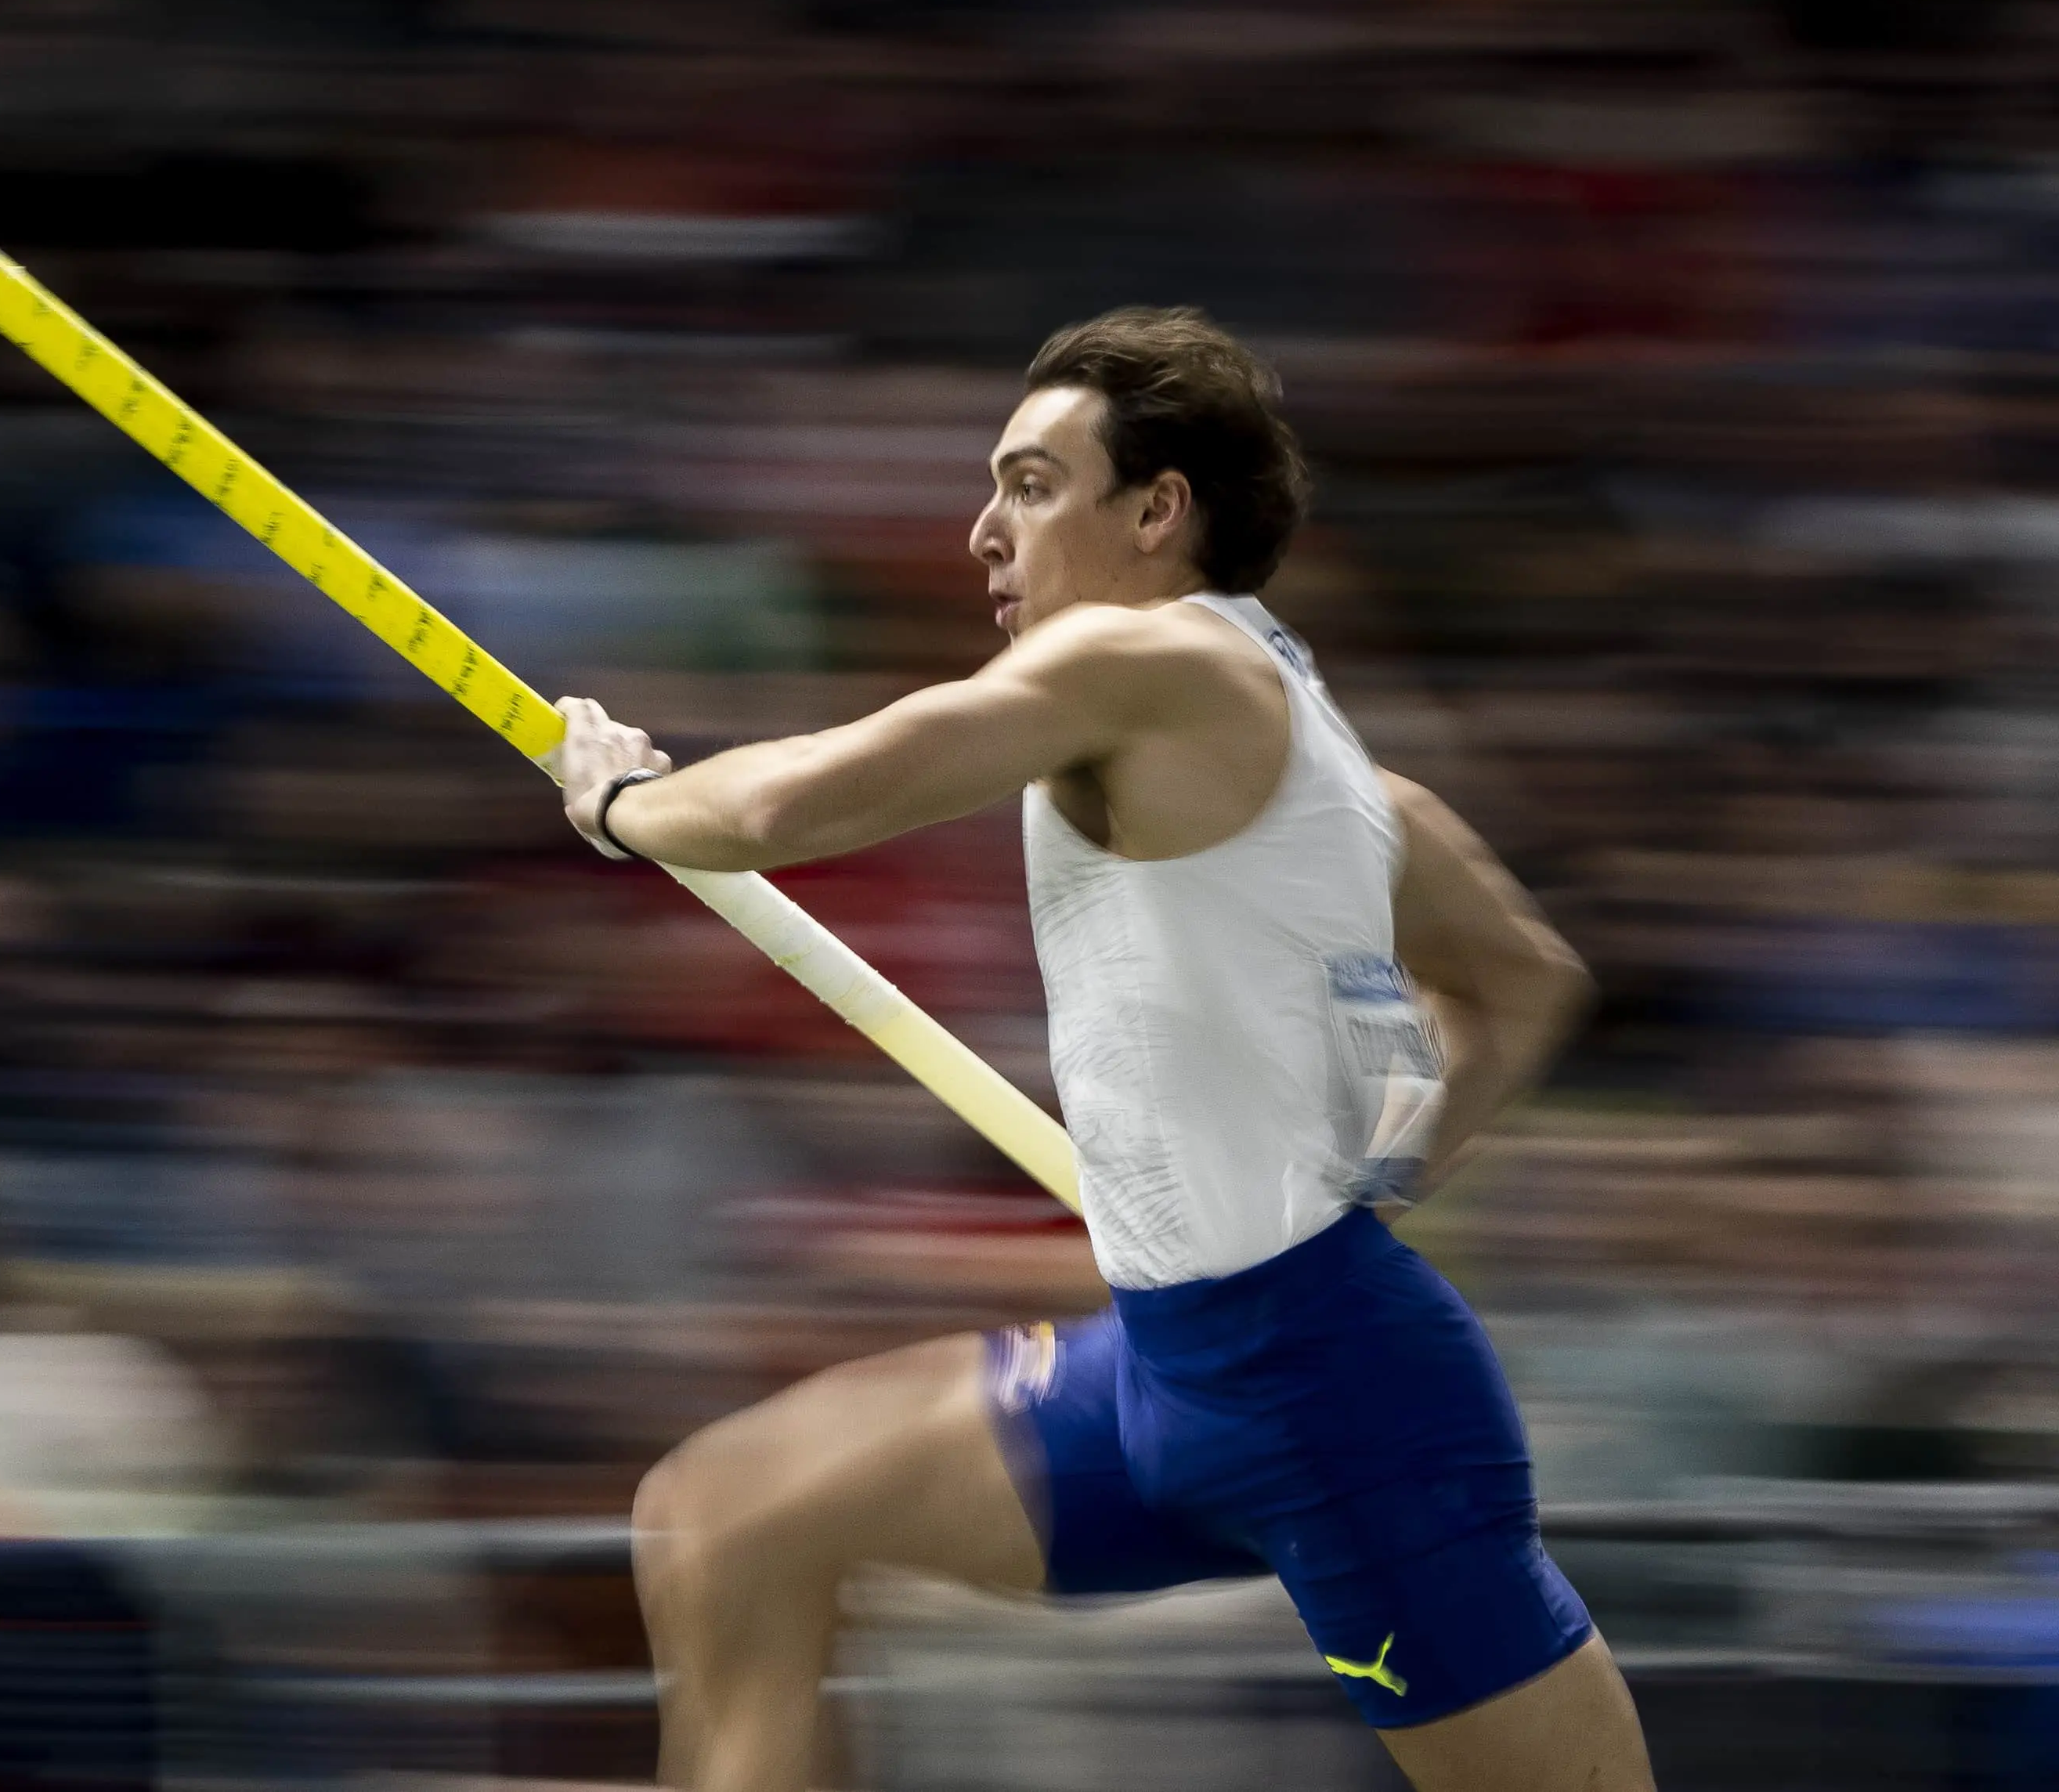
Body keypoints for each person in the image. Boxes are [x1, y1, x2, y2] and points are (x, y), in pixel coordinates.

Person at [552, 307, 1653, 1792]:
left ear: (1157, 511)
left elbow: (783, 809)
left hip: (1337, 1404)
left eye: (1030, 485)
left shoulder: (1147, 662)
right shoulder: (1337, 770)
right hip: (1166, 1377)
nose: (982, 532)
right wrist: (1381, 1172)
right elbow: (1523, 983)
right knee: (734, 1518)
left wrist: (620, 803)